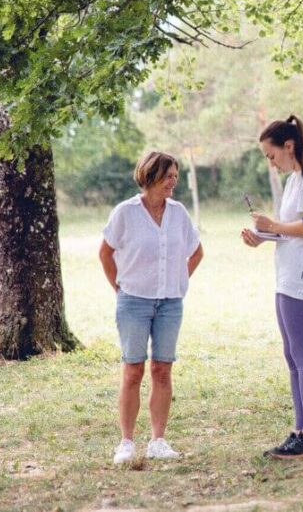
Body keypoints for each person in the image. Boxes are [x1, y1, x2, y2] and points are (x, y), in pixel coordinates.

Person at [99, 151, 204, 465]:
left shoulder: (179, 212)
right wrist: (120, 288)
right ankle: (127, 443)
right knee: (133, 371)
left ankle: (158, 441)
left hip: (170, 303)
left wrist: (178, 281)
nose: (174, 182)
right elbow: (105, 253)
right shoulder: (126, 212)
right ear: (151, 176)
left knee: (162, 369)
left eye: (175, 176)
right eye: (169, 175)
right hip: (133, 301)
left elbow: (196, 253)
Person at [241, 114, 303, 460]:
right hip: (286, 275)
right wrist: (264, 236)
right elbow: (292, 229)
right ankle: (299, 431)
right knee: (293, 357)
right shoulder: (296, 179)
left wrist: (274, 224)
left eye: (271, 154)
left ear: (289, 146)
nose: (271, 162)